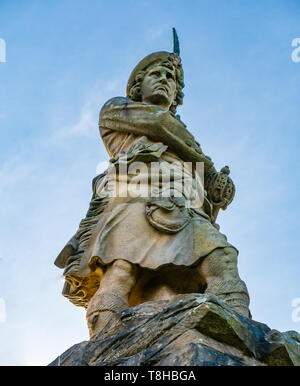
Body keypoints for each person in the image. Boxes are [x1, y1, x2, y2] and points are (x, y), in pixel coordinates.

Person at [55, 50, 250, 339]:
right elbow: (161, 124)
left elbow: (197, 187)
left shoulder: (185, 142)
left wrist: (214, 193)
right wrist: (208, 169)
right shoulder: (117, 110)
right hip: (136, 198)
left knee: (222, 259)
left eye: (170, 79)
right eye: (156, 75)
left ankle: (240, 333)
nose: (165, 81)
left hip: (185, 207)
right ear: (137, 86)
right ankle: (107, 343)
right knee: (121, 271)